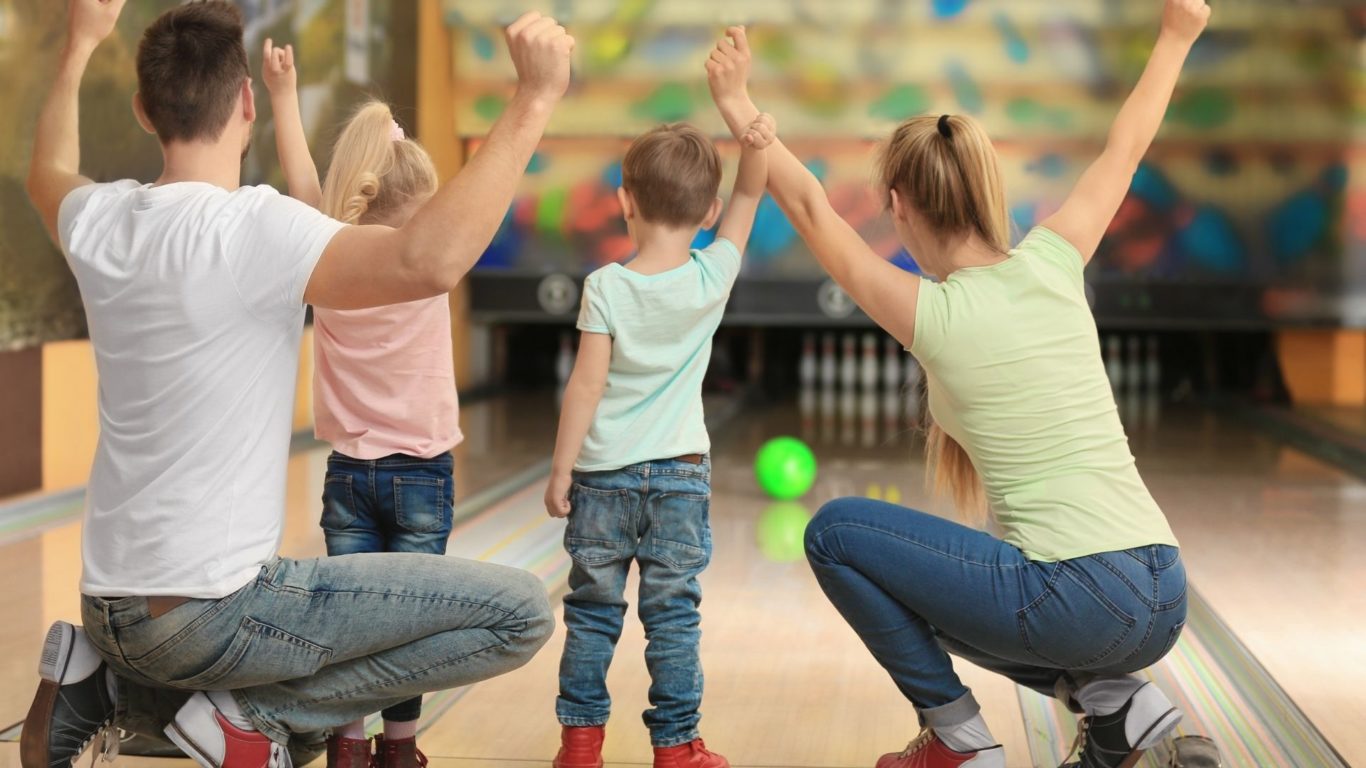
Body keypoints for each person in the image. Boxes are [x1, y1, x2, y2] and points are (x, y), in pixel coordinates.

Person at [20, 2, 573, 767]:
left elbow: (45, 172)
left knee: (306, 720)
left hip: (108, 608)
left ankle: (103, 684)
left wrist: (79, 44)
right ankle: (249, 718)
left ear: (144, 110)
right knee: (519, 614)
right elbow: (427, 262)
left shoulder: (101, 218)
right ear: (247, 102)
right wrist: (534, 97)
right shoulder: (258, 227)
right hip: (211, 616)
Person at [705, 1, 1209, 766]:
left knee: (838, 535)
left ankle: (960, 740)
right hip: (1165, 589)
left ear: (898, 207)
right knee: (935, 585)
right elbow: (1127, 146)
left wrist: (738, 102)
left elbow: (807, 204)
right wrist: (1176, 36)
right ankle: (1120, 704)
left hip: (1077, 599)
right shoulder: (1055, 258)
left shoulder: (931, 313)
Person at [540, 57, 776, 768]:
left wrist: (560, 470)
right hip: (679, 477)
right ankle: (676, 748)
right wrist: (755, 144)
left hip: (602, 479)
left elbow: (585, 387)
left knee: (591, 616)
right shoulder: (712, 275)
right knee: (673, 618)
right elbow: (750, 196)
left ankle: (580, 746)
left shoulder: (605, 286)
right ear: (707, 212)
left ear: (625, 201)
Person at [262, 39, 462, 768]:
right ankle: (399, 749)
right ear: (424, 215)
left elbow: (303, 186)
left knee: (347, 622)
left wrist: (284, 97)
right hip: (421, 474)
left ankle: (346, 746)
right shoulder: (427, 265)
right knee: (409, 626)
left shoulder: (329, 261)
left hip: (348, 473)